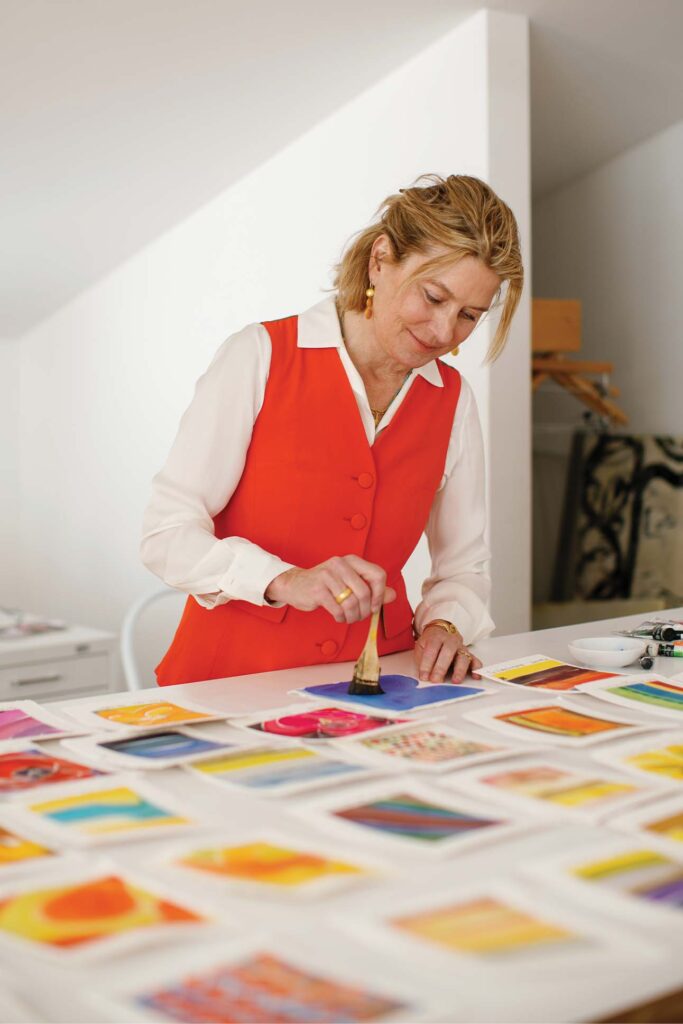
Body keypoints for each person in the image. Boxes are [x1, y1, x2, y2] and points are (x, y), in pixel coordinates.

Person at [141, 174, 523, 687]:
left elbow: (464, 564)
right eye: (433, 297)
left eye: (468, 316)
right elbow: (167, 534)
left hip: (380, 684)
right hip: (229, 687)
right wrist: (283, 580)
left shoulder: (453, 400)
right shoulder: (259, 356)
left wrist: (446, 624)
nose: (442, 332)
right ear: (381, 258)